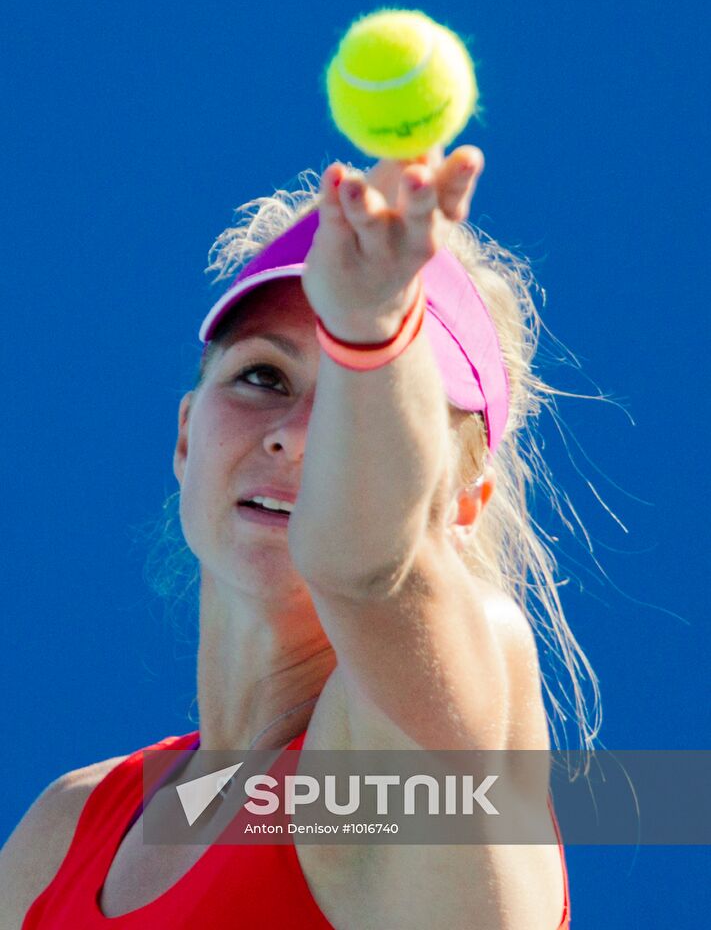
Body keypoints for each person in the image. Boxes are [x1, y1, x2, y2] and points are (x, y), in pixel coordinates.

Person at [1, 143, 593, 928]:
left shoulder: (440, 723)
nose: (299, 437)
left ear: (459, 504)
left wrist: (374, 332)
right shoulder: (63, 831)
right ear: (186, 437)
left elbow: (367, 567)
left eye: (360, 407)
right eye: (263, 378)